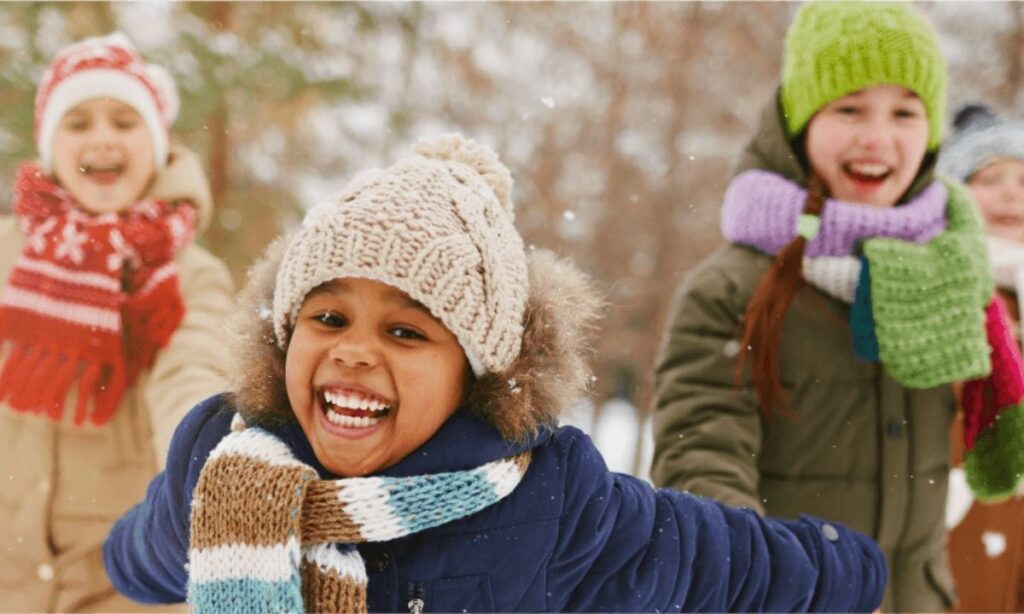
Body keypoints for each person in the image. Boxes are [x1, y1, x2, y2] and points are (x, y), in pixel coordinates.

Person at [103, 133, 886, 613]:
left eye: (407, 331)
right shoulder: (225, 465)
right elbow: (146, 555)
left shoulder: (548, 501)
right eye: (328, 317)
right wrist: (123, 556)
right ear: (284, 335)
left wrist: (850, 569)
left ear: (475, 374)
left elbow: (719, 562)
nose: (353, 350)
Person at [650, 3, 1024, 611]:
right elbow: (700, 458)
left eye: (905, 112)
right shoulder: (731, 290)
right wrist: (774, 579)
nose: (877, 138)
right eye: (849, 108)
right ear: (799, 123)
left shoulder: (952, 273)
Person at [0, 33, 234, 611]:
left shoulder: (188, 274)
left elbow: (193, 369)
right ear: (50, 145)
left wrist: (205, 467)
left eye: (124, 121)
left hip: (123, 585)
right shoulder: (8, 256)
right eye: (77, 122)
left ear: (156, 144)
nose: (102, 137)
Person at [938, 104, 1024, 612]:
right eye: (990, 177)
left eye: (1023, 179)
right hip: (946, 564)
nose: (1011, 192)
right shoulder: (922, 292)